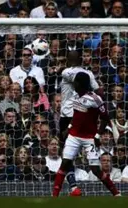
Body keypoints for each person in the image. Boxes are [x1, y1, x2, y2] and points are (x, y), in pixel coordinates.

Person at [52, 72, 121, 197]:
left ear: (81, 84)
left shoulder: (95, 99)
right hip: (74, 136)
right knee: (65, 163)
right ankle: (54, 196)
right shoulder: (75, 95)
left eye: (75, 82)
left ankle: (116, 194)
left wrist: (98, 136)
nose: (73, 85)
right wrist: (69, 127)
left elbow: (105, 118)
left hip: (90, 138)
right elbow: (77, 115)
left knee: (95, 170)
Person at [57, 50, 100, 196]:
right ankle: (75, 186)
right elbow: (99, 91)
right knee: (83, 150)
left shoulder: (65, 72)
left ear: (68, 60)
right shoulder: (89, 74)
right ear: (81, 59)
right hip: (83, 113)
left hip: (68, 116)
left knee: (66, 153)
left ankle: (73, 186)